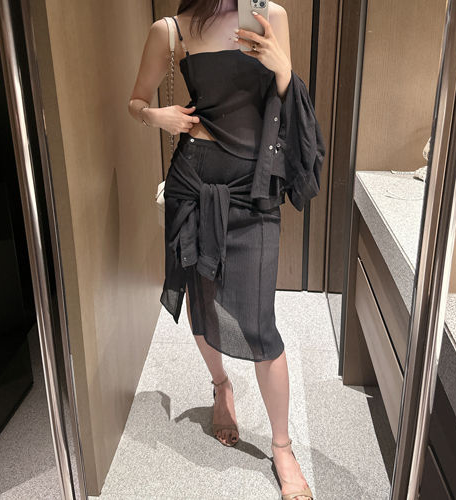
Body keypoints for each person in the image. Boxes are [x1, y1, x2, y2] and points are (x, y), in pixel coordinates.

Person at [128, 1, 321, 499]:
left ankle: (282, 447)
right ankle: (221, 387)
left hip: (253, 188)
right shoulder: (171, 29)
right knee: (202, 298)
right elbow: (136, 100)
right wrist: (154, 115)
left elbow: (288, 109)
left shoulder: (269, 14)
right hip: (193, 180)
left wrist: (282, 70)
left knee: (259, 321)